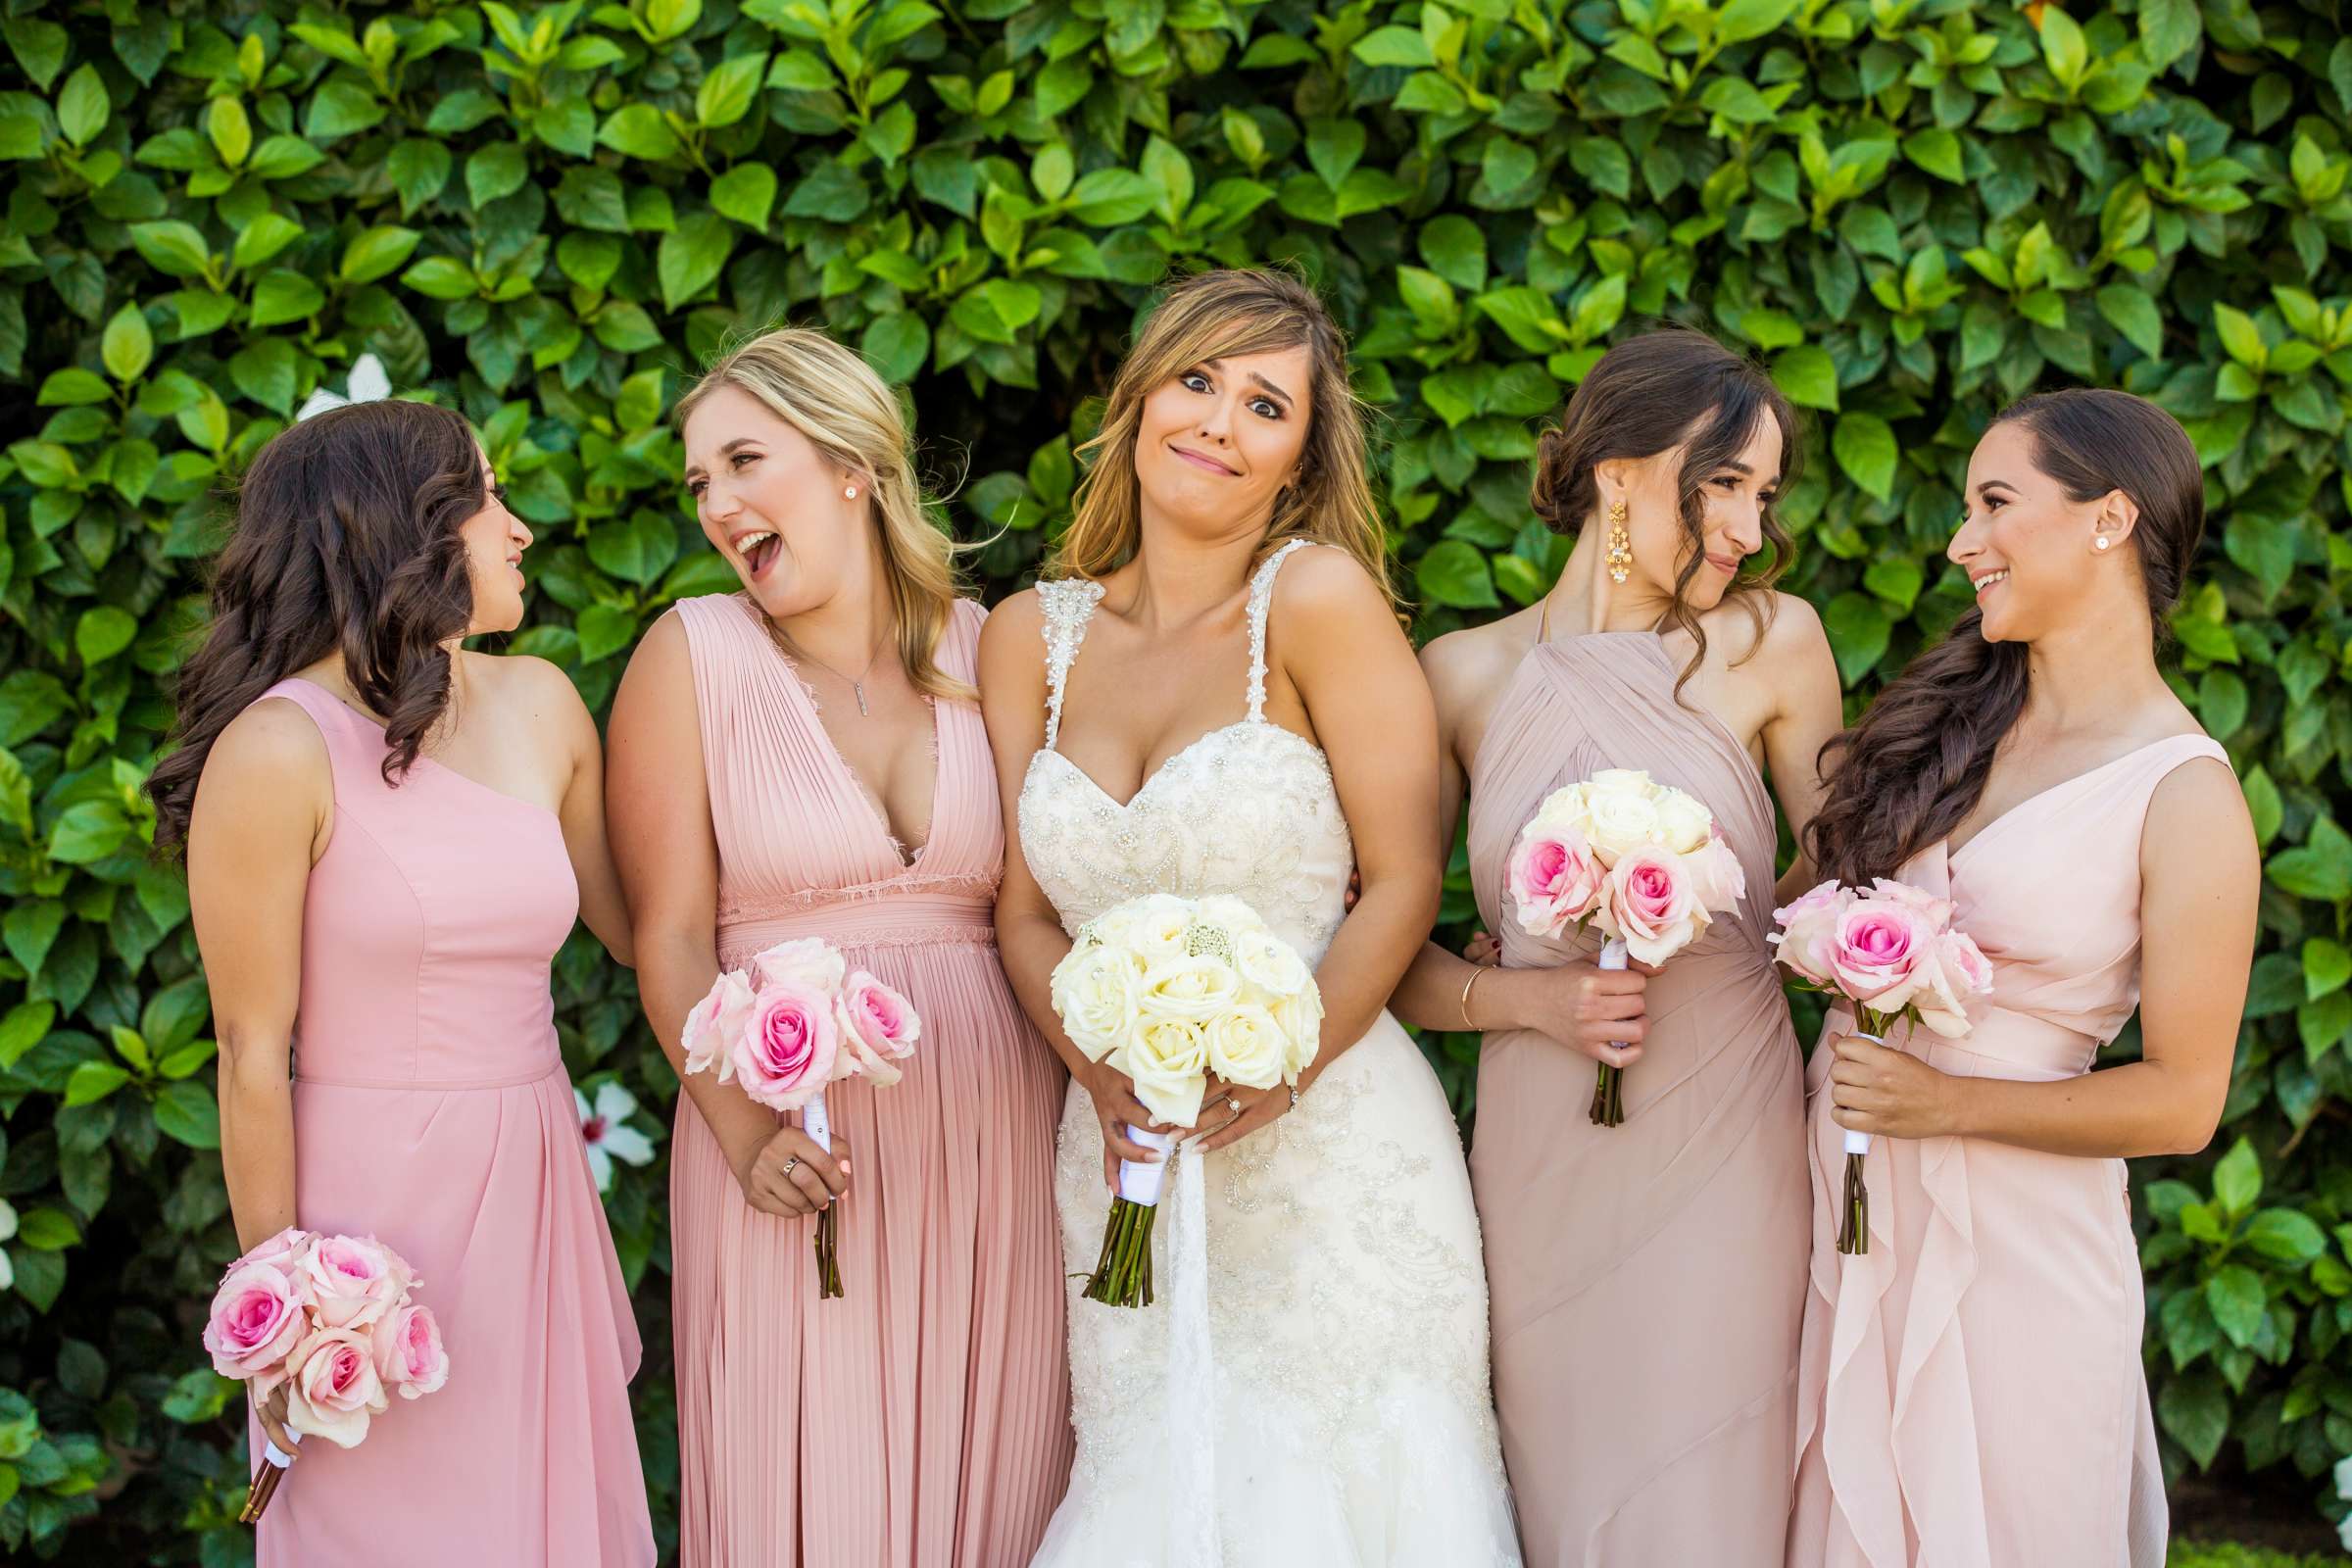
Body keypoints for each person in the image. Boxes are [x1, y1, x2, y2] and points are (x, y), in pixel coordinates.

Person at [980, 268, 1520, 1565]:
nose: (1220, 422)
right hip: (1119, 1147)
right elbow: (1021, 913)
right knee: (1151, 1480)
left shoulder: (1315, 602)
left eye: (1265, 405)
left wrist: (1276, 1071)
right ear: (1139, 400)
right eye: (1199, 381)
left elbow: (1402, 880)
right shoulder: (1024, 638)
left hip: (1324, 1144)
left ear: (1296, 460)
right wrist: (1097, 1070)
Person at [156, 399, 652, 1565]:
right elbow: (249, 1053)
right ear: (405, 525)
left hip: (532, 1186)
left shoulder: (541, 702)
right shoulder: (277, 749)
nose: (520, 528)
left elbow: (644, 931)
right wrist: (283, 1308)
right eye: (487, 498)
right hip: (367, 1230)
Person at [605, 327, 1069, 1566]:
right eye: (698, 481)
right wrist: (742, 1134)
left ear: (854, 463)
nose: (717, 504)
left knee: (1005, 1491)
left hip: (1002, 1156)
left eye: (745, 460)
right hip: (791, 1162)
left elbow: (1053, 891)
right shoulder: (690, 654)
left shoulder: (993, 647)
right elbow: (667, 937)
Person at [1391, 326, 1841, 1565]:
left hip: (1727, 1129)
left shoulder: (1776, 642)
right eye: (1726, 486)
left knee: (1718, 1461)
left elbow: (1843, 890)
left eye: (1764, 494)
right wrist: (1526, 1005)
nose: (1749, 527)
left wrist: (1739, 896)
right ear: (1621, 475)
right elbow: (1392, 954)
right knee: (1562, 1460)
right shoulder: (1460, 676)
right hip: (1543, 1144)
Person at [1788, 388, 2255, 1567]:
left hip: (2020, 1256)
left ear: (2109, 519)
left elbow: (2184, 1101)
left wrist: (1949, 1105)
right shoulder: (1949, 726)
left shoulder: (2185, 794)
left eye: (1995, 504)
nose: (1960, 544)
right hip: (1847, 1216)